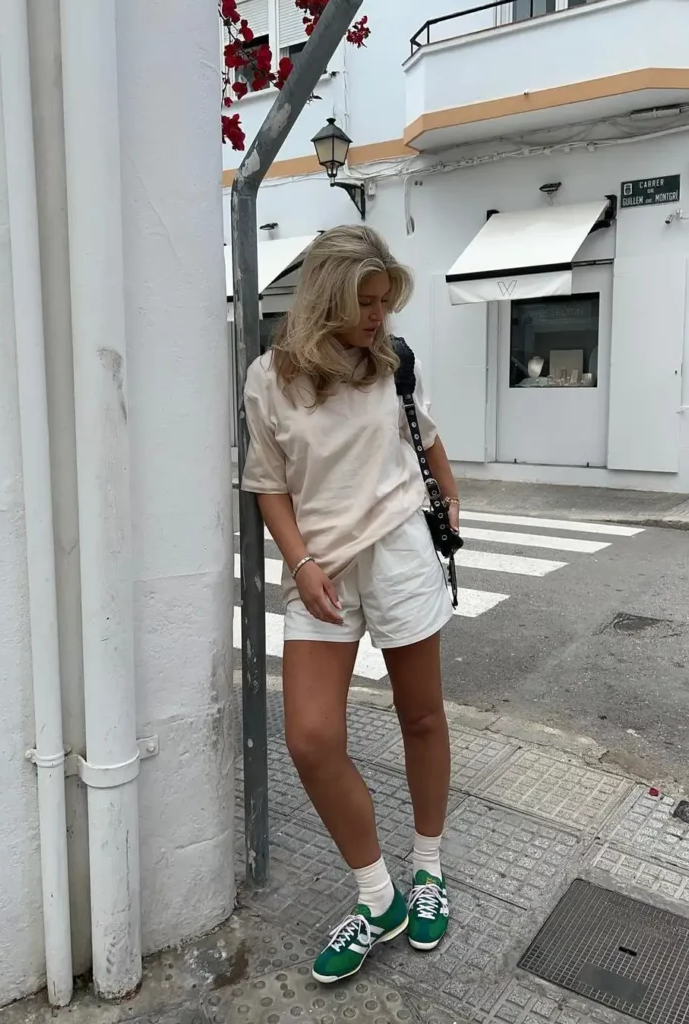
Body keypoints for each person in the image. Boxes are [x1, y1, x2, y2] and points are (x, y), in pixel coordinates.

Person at [240, 224, 460, 985]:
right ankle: (379, 896)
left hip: (399, 553)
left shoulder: (393, 363)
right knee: (310, 738)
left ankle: (427, 869)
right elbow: (268, 482)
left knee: (421, 717)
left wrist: (450, 503)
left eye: (384, 301)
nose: (377, 316)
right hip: (323, 570)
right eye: (365, 301)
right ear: (326, 298)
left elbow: (425, 436)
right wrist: (299, 563)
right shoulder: (270, 378)